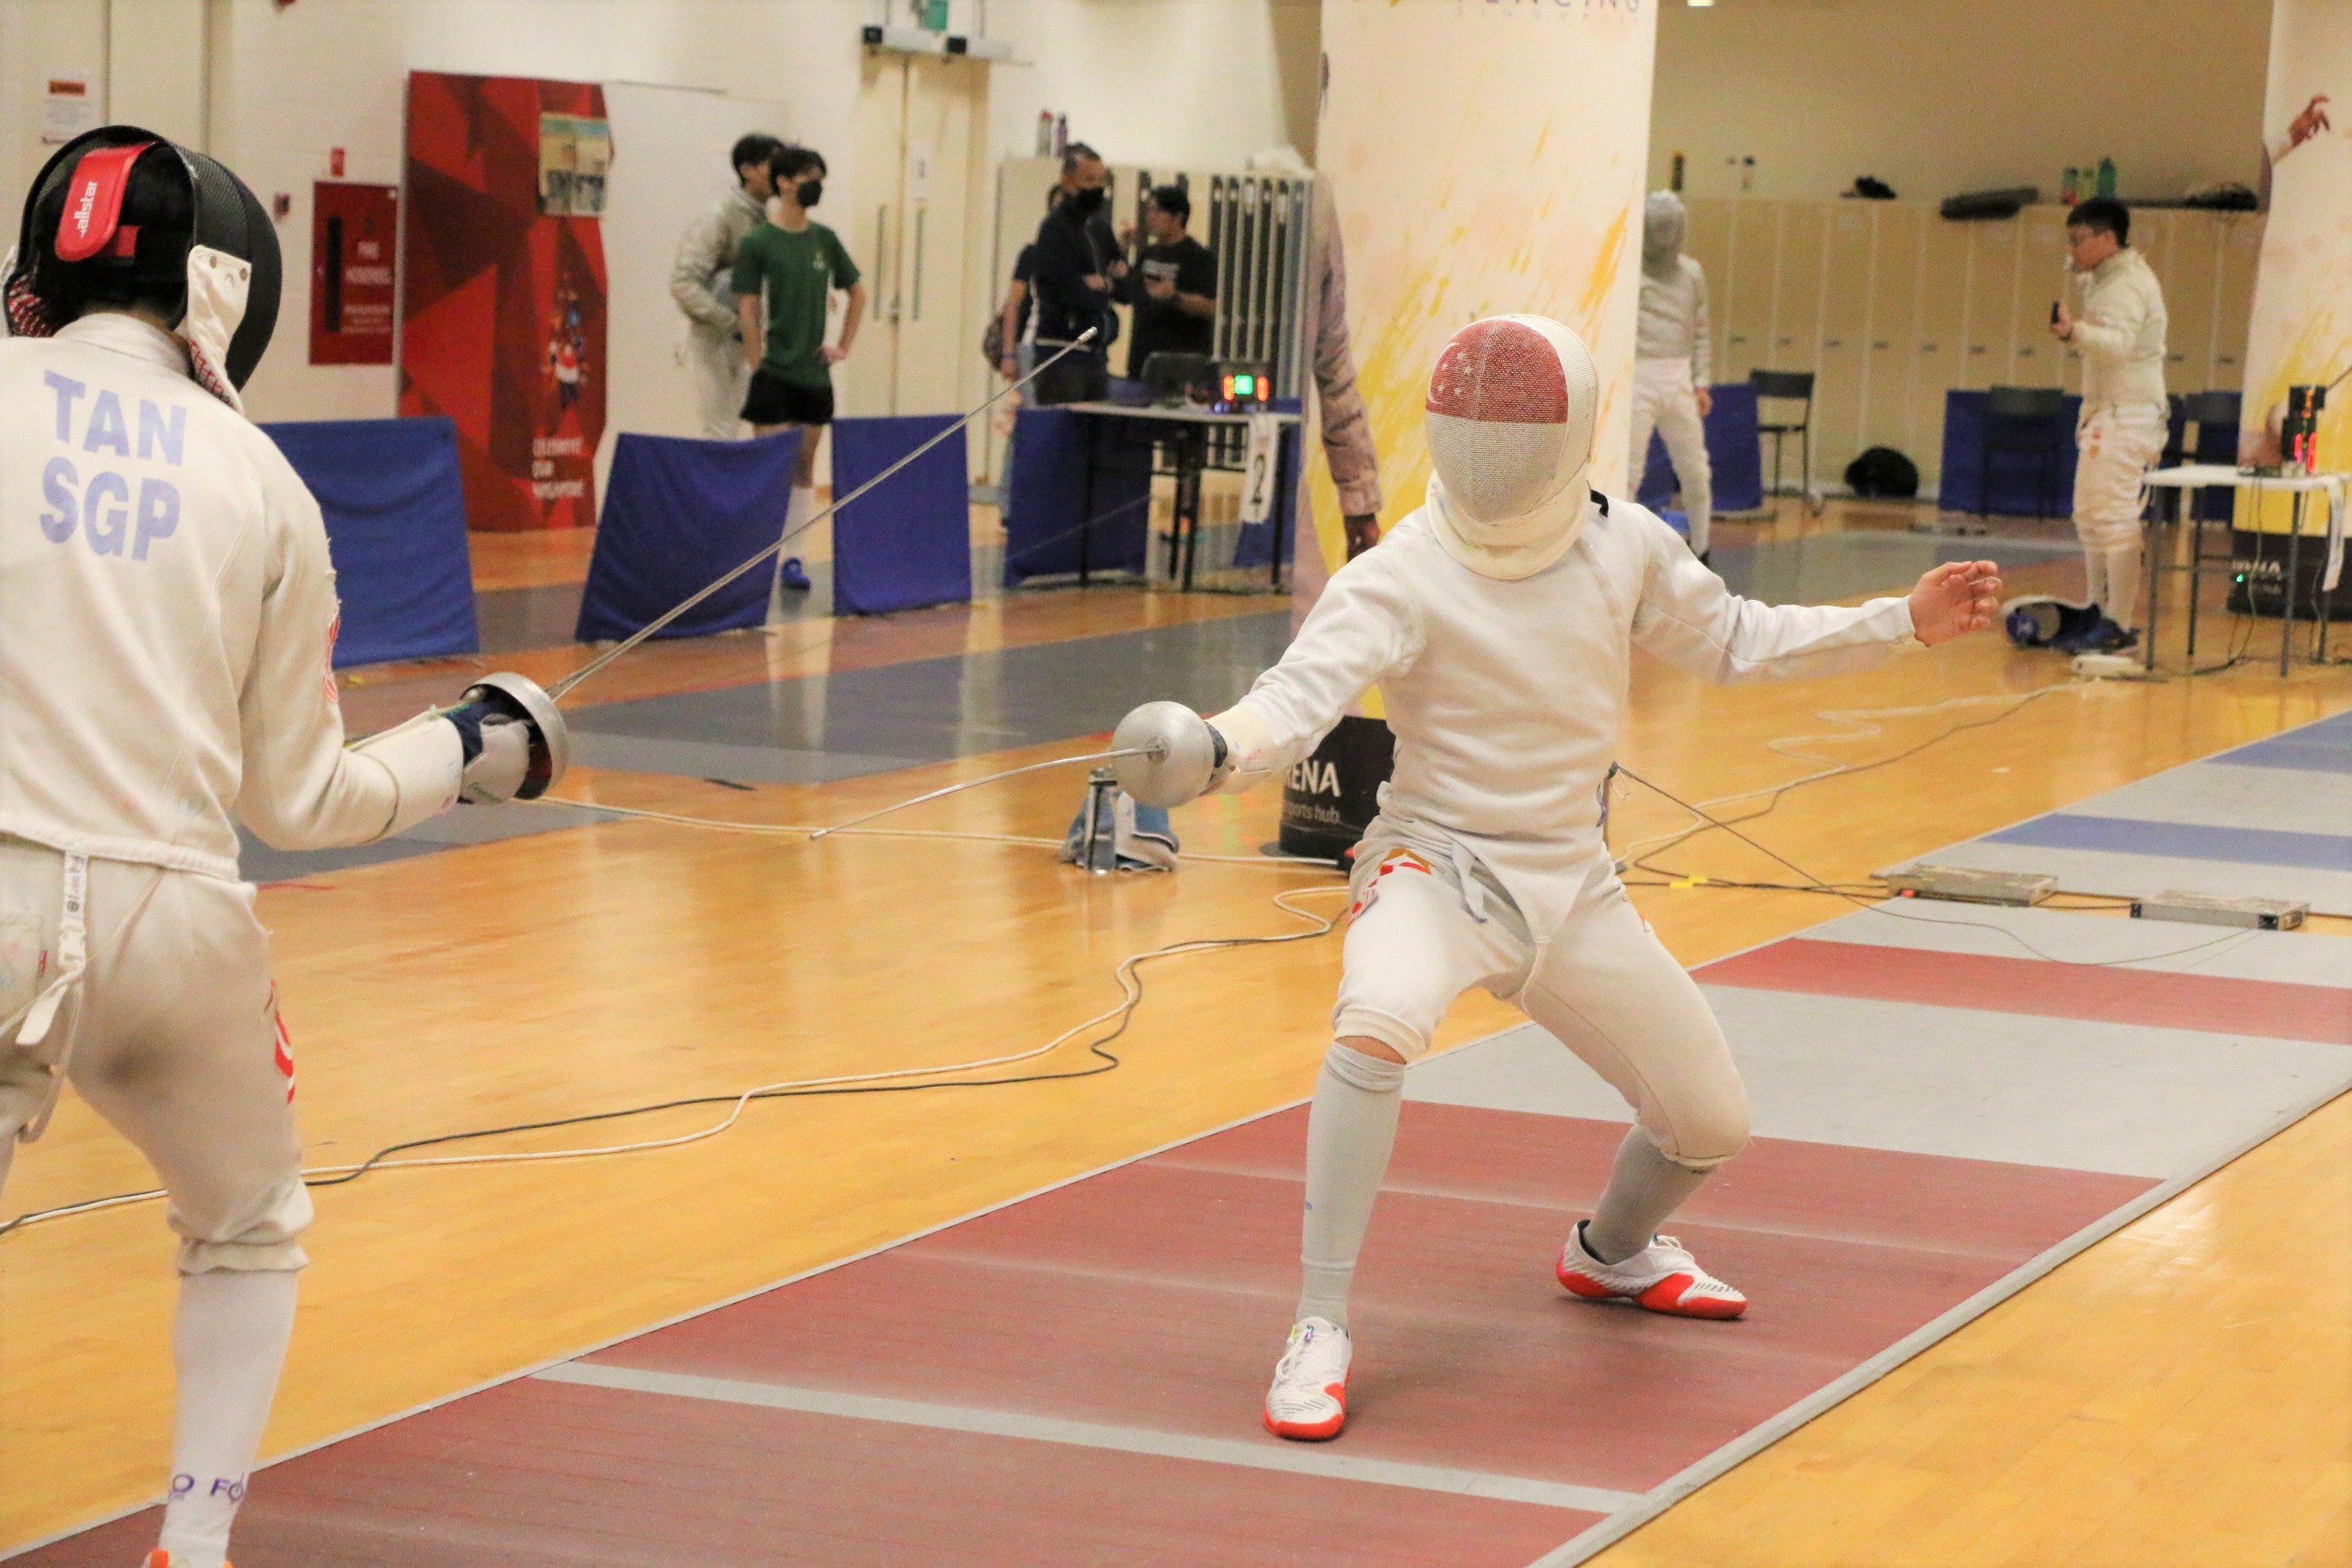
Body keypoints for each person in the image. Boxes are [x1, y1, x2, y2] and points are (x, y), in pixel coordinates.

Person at [1108, 315, 2001, 1443]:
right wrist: (1218, 745)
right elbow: (1298, 699)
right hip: (1435, 871)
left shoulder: (1622, 544)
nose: (1499, 460)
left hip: (1573, 889)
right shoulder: (1402, 573)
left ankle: (1611, 1252)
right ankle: (1321, 1321)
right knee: (1376, 1019)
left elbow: (1737, 641)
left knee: (1708, 1123)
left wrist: (1900, 623)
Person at [0, 126, 560, 1568]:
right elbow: (301, 802)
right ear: (218, 293)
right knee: (246, 1222)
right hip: (175, 932)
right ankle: (195, 1538)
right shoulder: (261, 479)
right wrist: (471, 745)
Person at [733, 144, 867, 576]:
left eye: (821, 179)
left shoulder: (824, 240)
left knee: (805, 464)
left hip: (814, 375)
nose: (817, 186)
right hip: (774, 372)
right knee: (767, 463)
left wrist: (842, 346)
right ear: (785, 182)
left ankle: (794, 557)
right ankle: (756, 556)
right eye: (809, 177)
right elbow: (748, 307)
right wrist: (758, 364)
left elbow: (857, 292)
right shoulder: (758, 241)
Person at [2050, 196, 2167, 652]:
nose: (2072, 249)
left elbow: (2116, 346)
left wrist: (2073, 331)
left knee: (2115, 520)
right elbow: (2079, 267)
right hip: (2107, 413)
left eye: (2080, 240)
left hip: (2131, 416)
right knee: (2090, 518)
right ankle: (2096, 610)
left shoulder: (2128, 285)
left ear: (2108, 239)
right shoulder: (2107, 274)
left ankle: (2117, 622)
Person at [671, 132, 784, 440]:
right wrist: (731, 322)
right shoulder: (718, 217)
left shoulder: (771, 220)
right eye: (772, 166)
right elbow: (684, 283)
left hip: (744, 339)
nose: (780, 174)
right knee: (720, 432)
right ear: (748, 170)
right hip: (711, 338)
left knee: (738, 427)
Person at [1630, 191, 1715, 560]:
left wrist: (1701, 382)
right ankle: (1621, 549)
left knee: (1695, 469)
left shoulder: (1691, 274)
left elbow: (1700, 329)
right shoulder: (1629, 270)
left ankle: (1702, 547)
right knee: (1630, 470)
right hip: (1638, 378)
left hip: (1679, 377)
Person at [1026, 144, 1121, 405]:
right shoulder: (1054, 229)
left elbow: (1127, 285)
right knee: (1062, 434)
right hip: (1061, 353)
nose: (1096, 188)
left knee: (1093, 436)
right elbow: (1064, 286)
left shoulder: (1097, 228)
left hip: (1095, 353)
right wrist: (1099, 289)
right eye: (1089, 180)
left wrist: (1104, 284)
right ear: (1067, 181)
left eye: (1101, 180)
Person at [1120, 184, 1216, 380]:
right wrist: (1121, 249)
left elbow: (1211, 307)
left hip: (1181, 365)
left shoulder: (1199, 257)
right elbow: (1126, 294)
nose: (1149, 217)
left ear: (1178, 217)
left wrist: (1174, 297)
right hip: (1143, 362)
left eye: (1157, 211)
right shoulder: (1147, 254)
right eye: (1148, 210)